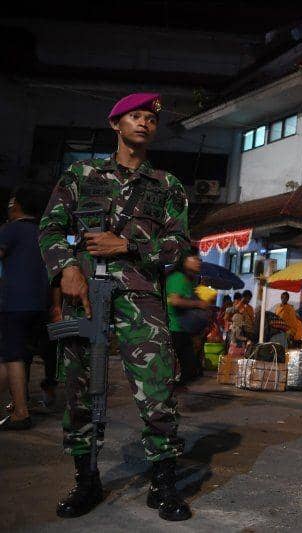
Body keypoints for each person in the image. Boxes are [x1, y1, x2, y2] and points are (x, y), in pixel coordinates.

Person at [38, 93, 192, 520]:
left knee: (158, 391)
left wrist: (128, 244)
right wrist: (66, 268)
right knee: (79, 389)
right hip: (83, 296)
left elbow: (178, 247)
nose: (143, 124)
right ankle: (86, 480)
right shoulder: (81, 174)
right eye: (135, 116)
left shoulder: (167, 186)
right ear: (115, 124)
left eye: (150, 119)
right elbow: (50, 227)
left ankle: (163, 483)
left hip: (141, 300)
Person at [0, 186, 50, 430]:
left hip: (14, 304)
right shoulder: (44, 231)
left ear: (16, 205)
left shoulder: (11, 230)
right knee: (12, 356)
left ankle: (21, 412)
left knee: (13, 357)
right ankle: (21, 403)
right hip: (40, 304)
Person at [166, 254, 210, 386]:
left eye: (199, 260)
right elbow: (175, 301)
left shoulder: (188, 280)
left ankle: (174, 394)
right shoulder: (178, 277)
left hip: (182, 329)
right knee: (185, 368)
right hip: (174, 328)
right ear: (184, 261)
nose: (198, 263)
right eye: (195, 259)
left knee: (188, 369)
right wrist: (198, 304)